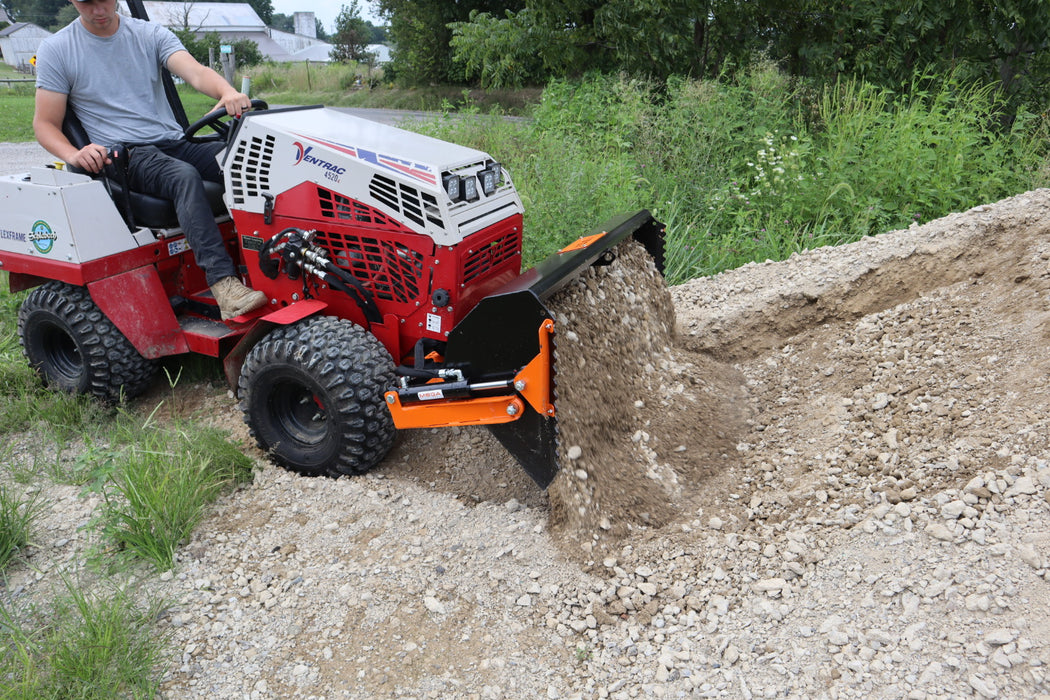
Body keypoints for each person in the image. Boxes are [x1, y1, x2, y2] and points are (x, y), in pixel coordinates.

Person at [32, 0, 267, 321]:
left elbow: (196, 72)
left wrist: (226, 92)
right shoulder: (57, 49)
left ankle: (274, 263)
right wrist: (74, 154)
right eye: (86, 1)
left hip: (173, 141)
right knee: (183, 177)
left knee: (247, 162)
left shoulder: (149, 34)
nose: (97, 9)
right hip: (125, 154)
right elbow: (45, 123)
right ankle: (225, 286)